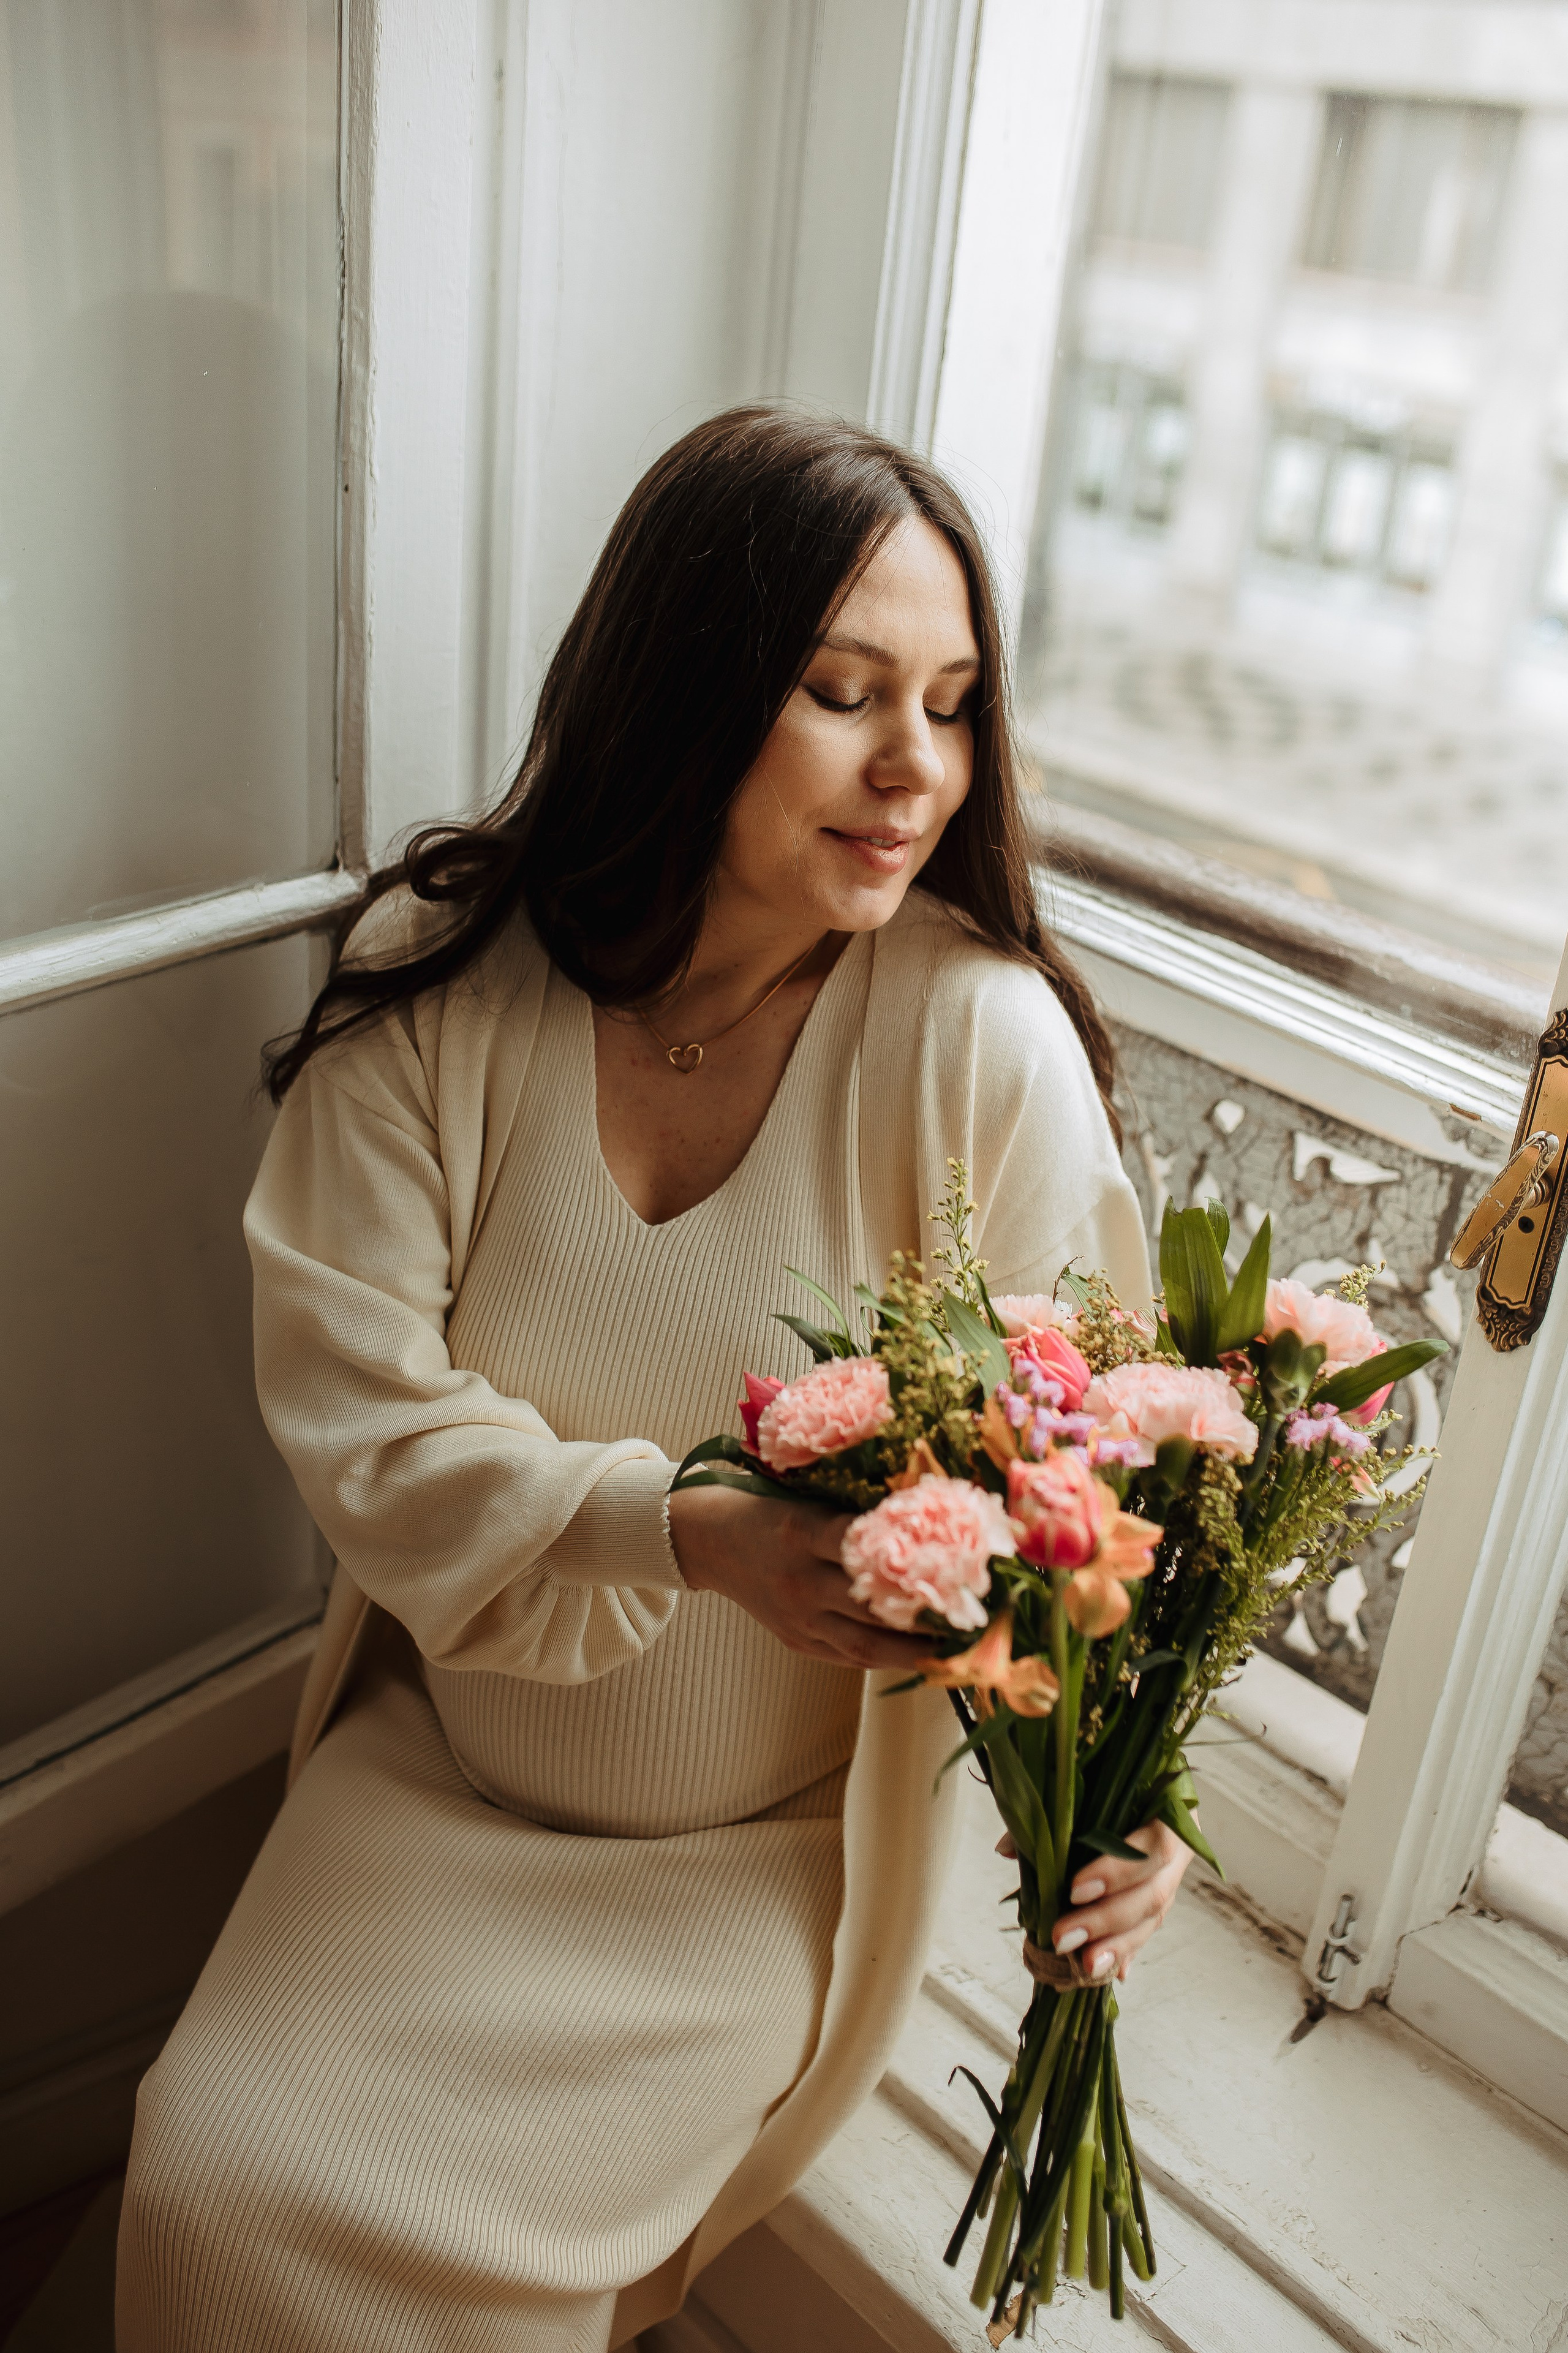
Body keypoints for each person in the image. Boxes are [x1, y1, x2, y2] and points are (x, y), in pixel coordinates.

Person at [116, 406, 1190, 2352]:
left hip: (758, 1867)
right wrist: (679, 1531)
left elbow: (1089, 1494)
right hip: (439, 1785)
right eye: (845, 692)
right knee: (208, 2180)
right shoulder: (446, 977)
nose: (915, 770)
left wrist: (1113, 1797)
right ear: (687, 690)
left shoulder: (978, 1049)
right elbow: (359, 1413)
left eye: (953, 704)